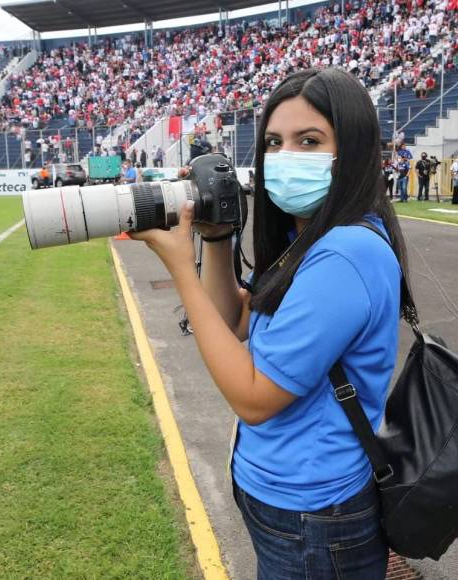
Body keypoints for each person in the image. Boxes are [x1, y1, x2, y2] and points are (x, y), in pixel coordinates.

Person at [128, 68, 405, 578]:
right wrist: (214, 240)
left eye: (310, 141)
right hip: (285, 496)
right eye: (274, 143)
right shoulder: (311, 239)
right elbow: (234, 319)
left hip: (314, 511)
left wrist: (178, 269)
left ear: (356, 150)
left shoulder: (346, 253)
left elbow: (254, 397)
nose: (285, 158)